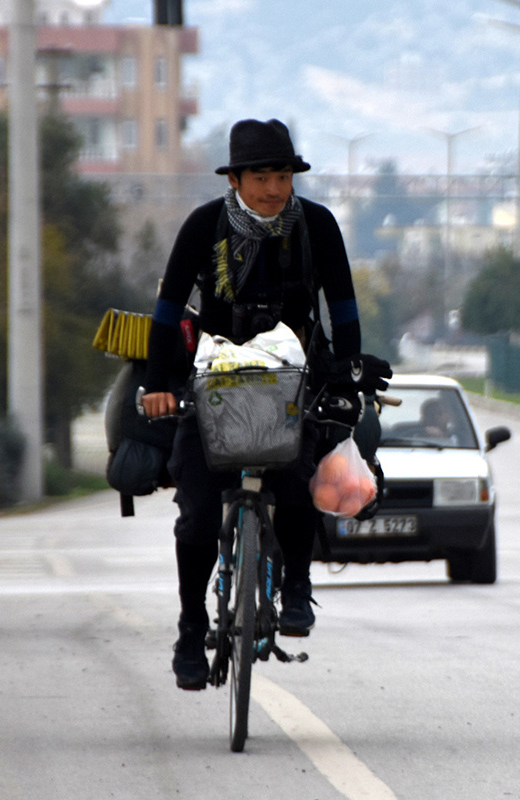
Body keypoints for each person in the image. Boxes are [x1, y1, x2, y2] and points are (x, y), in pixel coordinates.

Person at [140, 119, 390, 691]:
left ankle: (297, 585)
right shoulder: (204, 225)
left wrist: (348, 372)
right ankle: (189, 629)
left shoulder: (317, 226)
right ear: (234, 178)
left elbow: (344, 308)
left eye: (282, 175)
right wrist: (159, 383)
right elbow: (168, 307)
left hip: (295, 380)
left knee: (306, 468)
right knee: (198, 513)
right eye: (261, 176)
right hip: (216, 382)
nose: (274, 188)